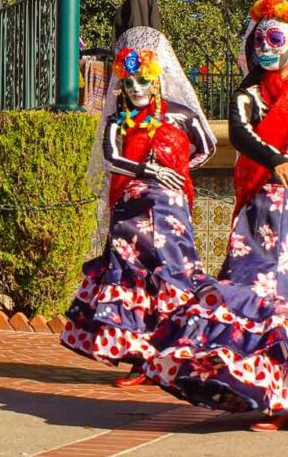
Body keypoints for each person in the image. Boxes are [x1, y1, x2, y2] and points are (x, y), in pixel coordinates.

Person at [144, 0, 288, 431]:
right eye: (260, 39)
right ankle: (268, 392)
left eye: (275, 38)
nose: (267, 46)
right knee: (260, 291)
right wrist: (275, 161)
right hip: (263, 210)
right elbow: (241, 134)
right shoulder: (247, 94)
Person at [60, 27, 216, 386]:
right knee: (132, 279)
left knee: (174, 274)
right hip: (130, 211)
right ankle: (140, 361)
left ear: (155, 79)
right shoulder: (118, 118)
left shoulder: (181, 115)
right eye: (128, 83)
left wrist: (175, 173)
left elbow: (205, 147)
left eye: (142, 81)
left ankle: (179, 357)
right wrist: (150, 170)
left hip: (170, 210)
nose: (135, 90)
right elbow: (112, 157)